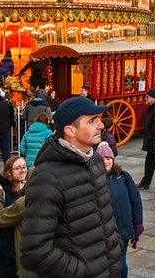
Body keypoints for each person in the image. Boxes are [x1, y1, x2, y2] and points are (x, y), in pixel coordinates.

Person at [20, 96, 123, 278]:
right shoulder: (46, 178)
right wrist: (82, 270)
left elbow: (104, 215)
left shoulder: (96, 161)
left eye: (98, 119)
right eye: (92, 121)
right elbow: (35, 251)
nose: (101, 126)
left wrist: (116, 247)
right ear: (70, 130)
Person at [100, 144, 143, 278]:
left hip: (123, 229)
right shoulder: (95, 181)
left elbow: (135, 200)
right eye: (102, 159)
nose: (106, 161)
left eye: (108, 158)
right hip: (105, 233)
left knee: (121, 265)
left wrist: (138, 224)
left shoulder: (124, 177)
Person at [138, 89, 155, 190]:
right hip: (151, 140)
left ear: (154, 98)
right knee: (149, 162)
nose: (146, 99)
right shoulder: (152, 107)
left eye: (148, 97)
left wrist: (152, 139)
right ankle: (145, 182)